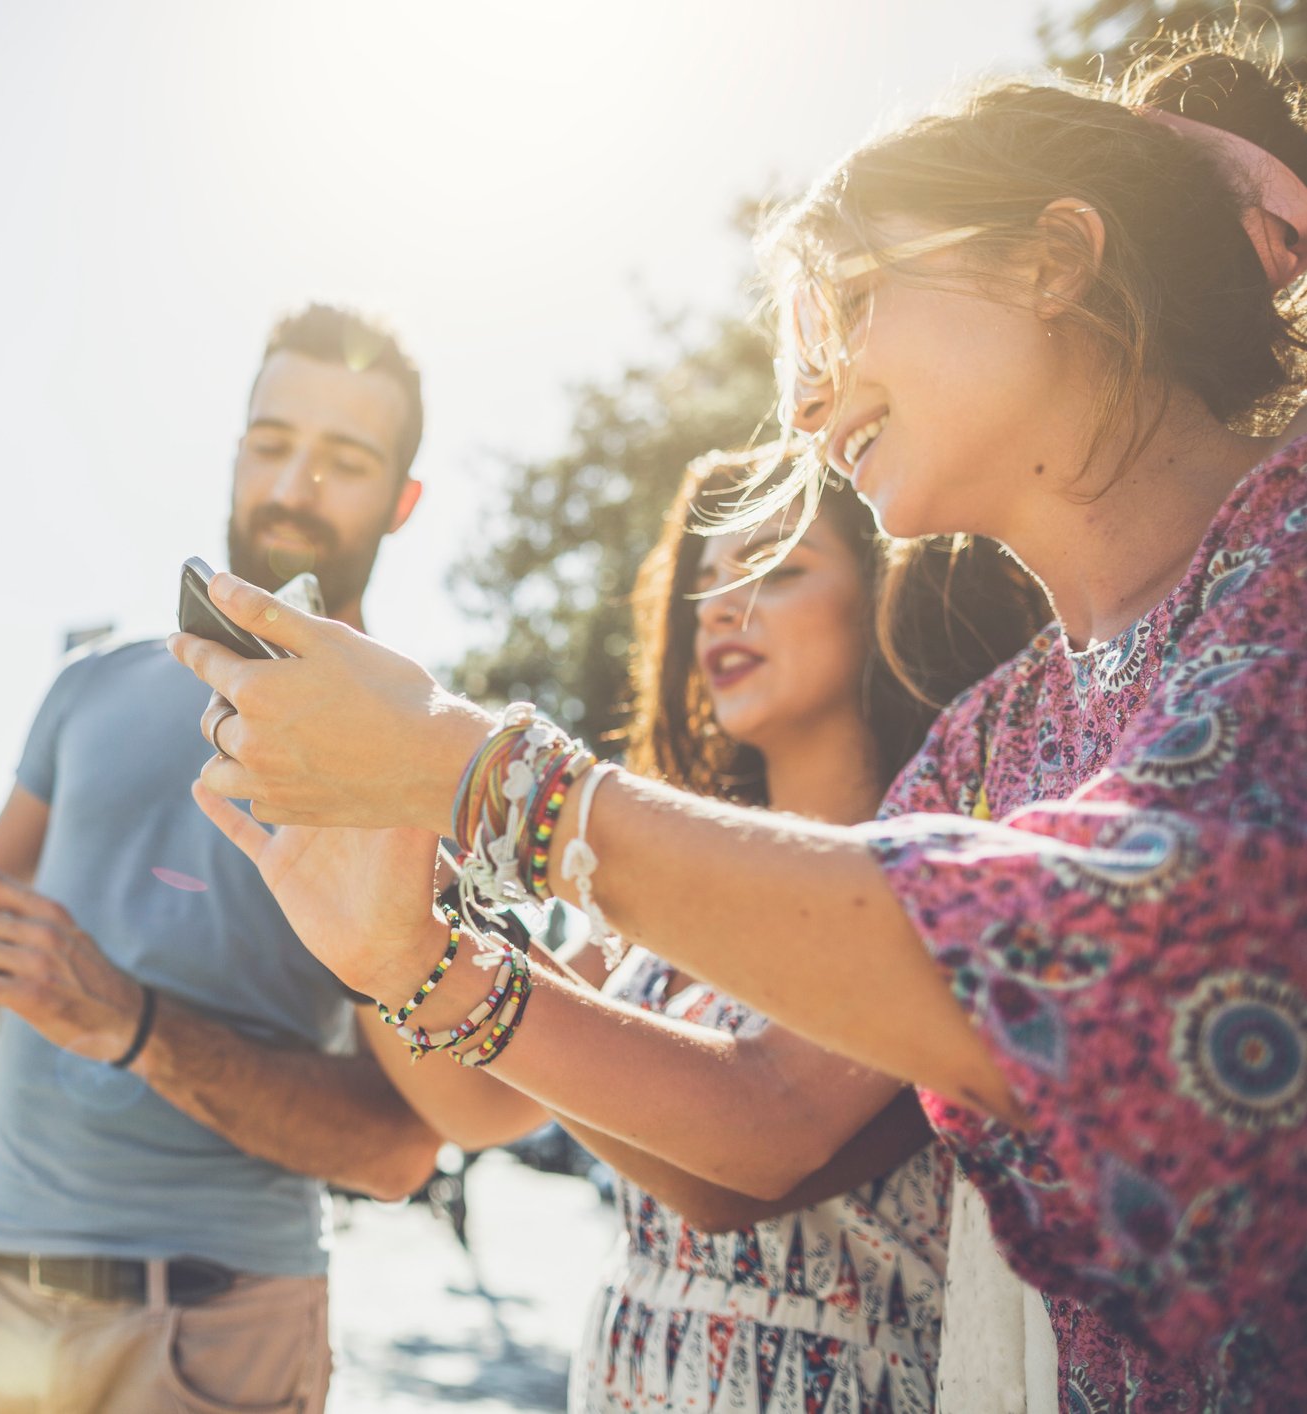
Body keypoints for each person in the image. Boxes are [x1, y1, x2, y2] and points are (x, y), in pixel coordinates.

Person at [170, 45, 1307, 1409]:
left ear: (1049, 259)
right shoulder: (992, 739)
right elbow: (766, 1114)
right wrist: (407, 950)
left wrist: (468, 768)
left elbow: (1115, 959)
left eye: (852, 307)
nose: (812, 404)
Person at [0, 303, 444, 1414]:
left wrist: (131, 1022)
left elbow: (398, 1152)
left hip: (212, 1335)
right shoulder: (92, 686)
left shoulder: (418, 753)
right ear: (236, 454)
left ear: (401, 503)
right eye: (272, 442)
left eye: (344, 461)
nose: (294, 485)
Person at [317, 452, 1040, 1410]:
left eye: (775, 569)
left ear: (887, 592)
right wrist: (371, 861)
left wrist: (422, 939)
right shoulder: (661, 898)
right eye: (705, 583)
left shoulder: (937, 859)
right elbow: (474, 1107)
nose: (722, 607)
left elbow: (744, 1160)